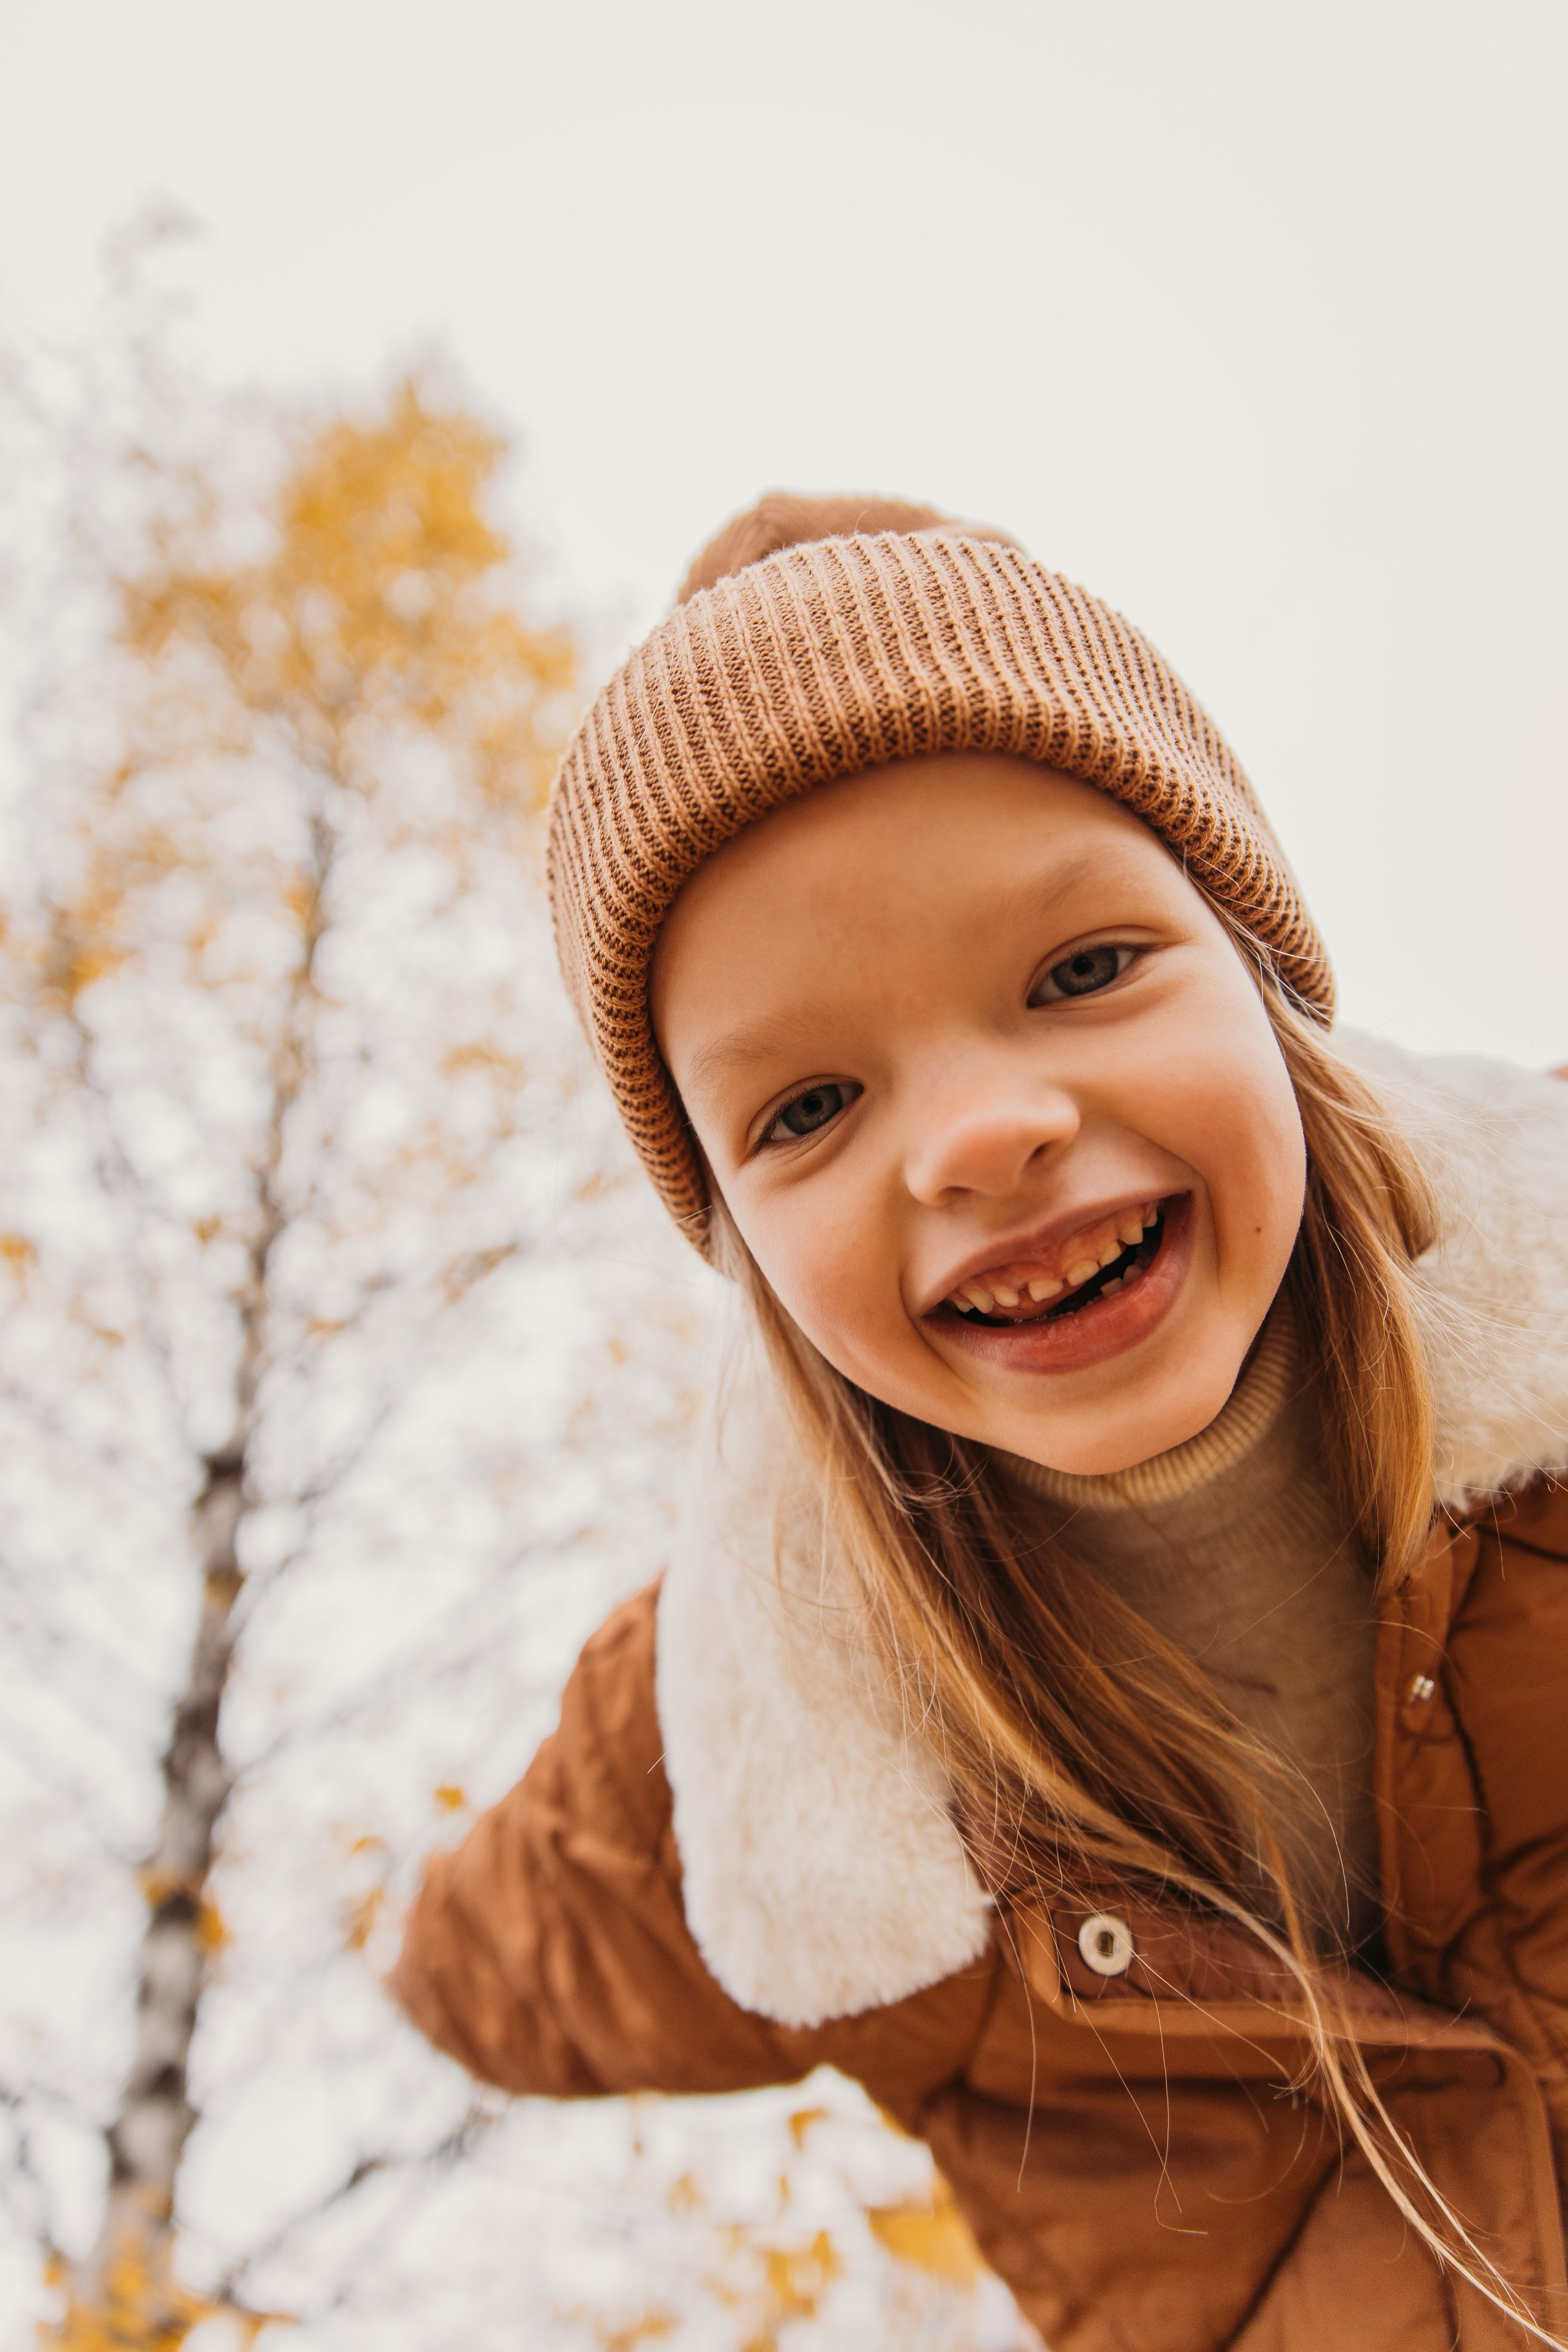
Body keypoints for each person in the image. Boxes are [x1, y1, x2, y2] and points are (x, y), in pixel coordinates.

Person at [392, 493, 1568, 2351]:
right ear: (737, 1245)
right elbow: (496, 1958)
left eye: (1084, 972)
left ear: (1265, 982)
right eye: (807, 1109)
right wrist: (371, 1946)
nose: (976, 1138)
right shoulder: (740, 1745)